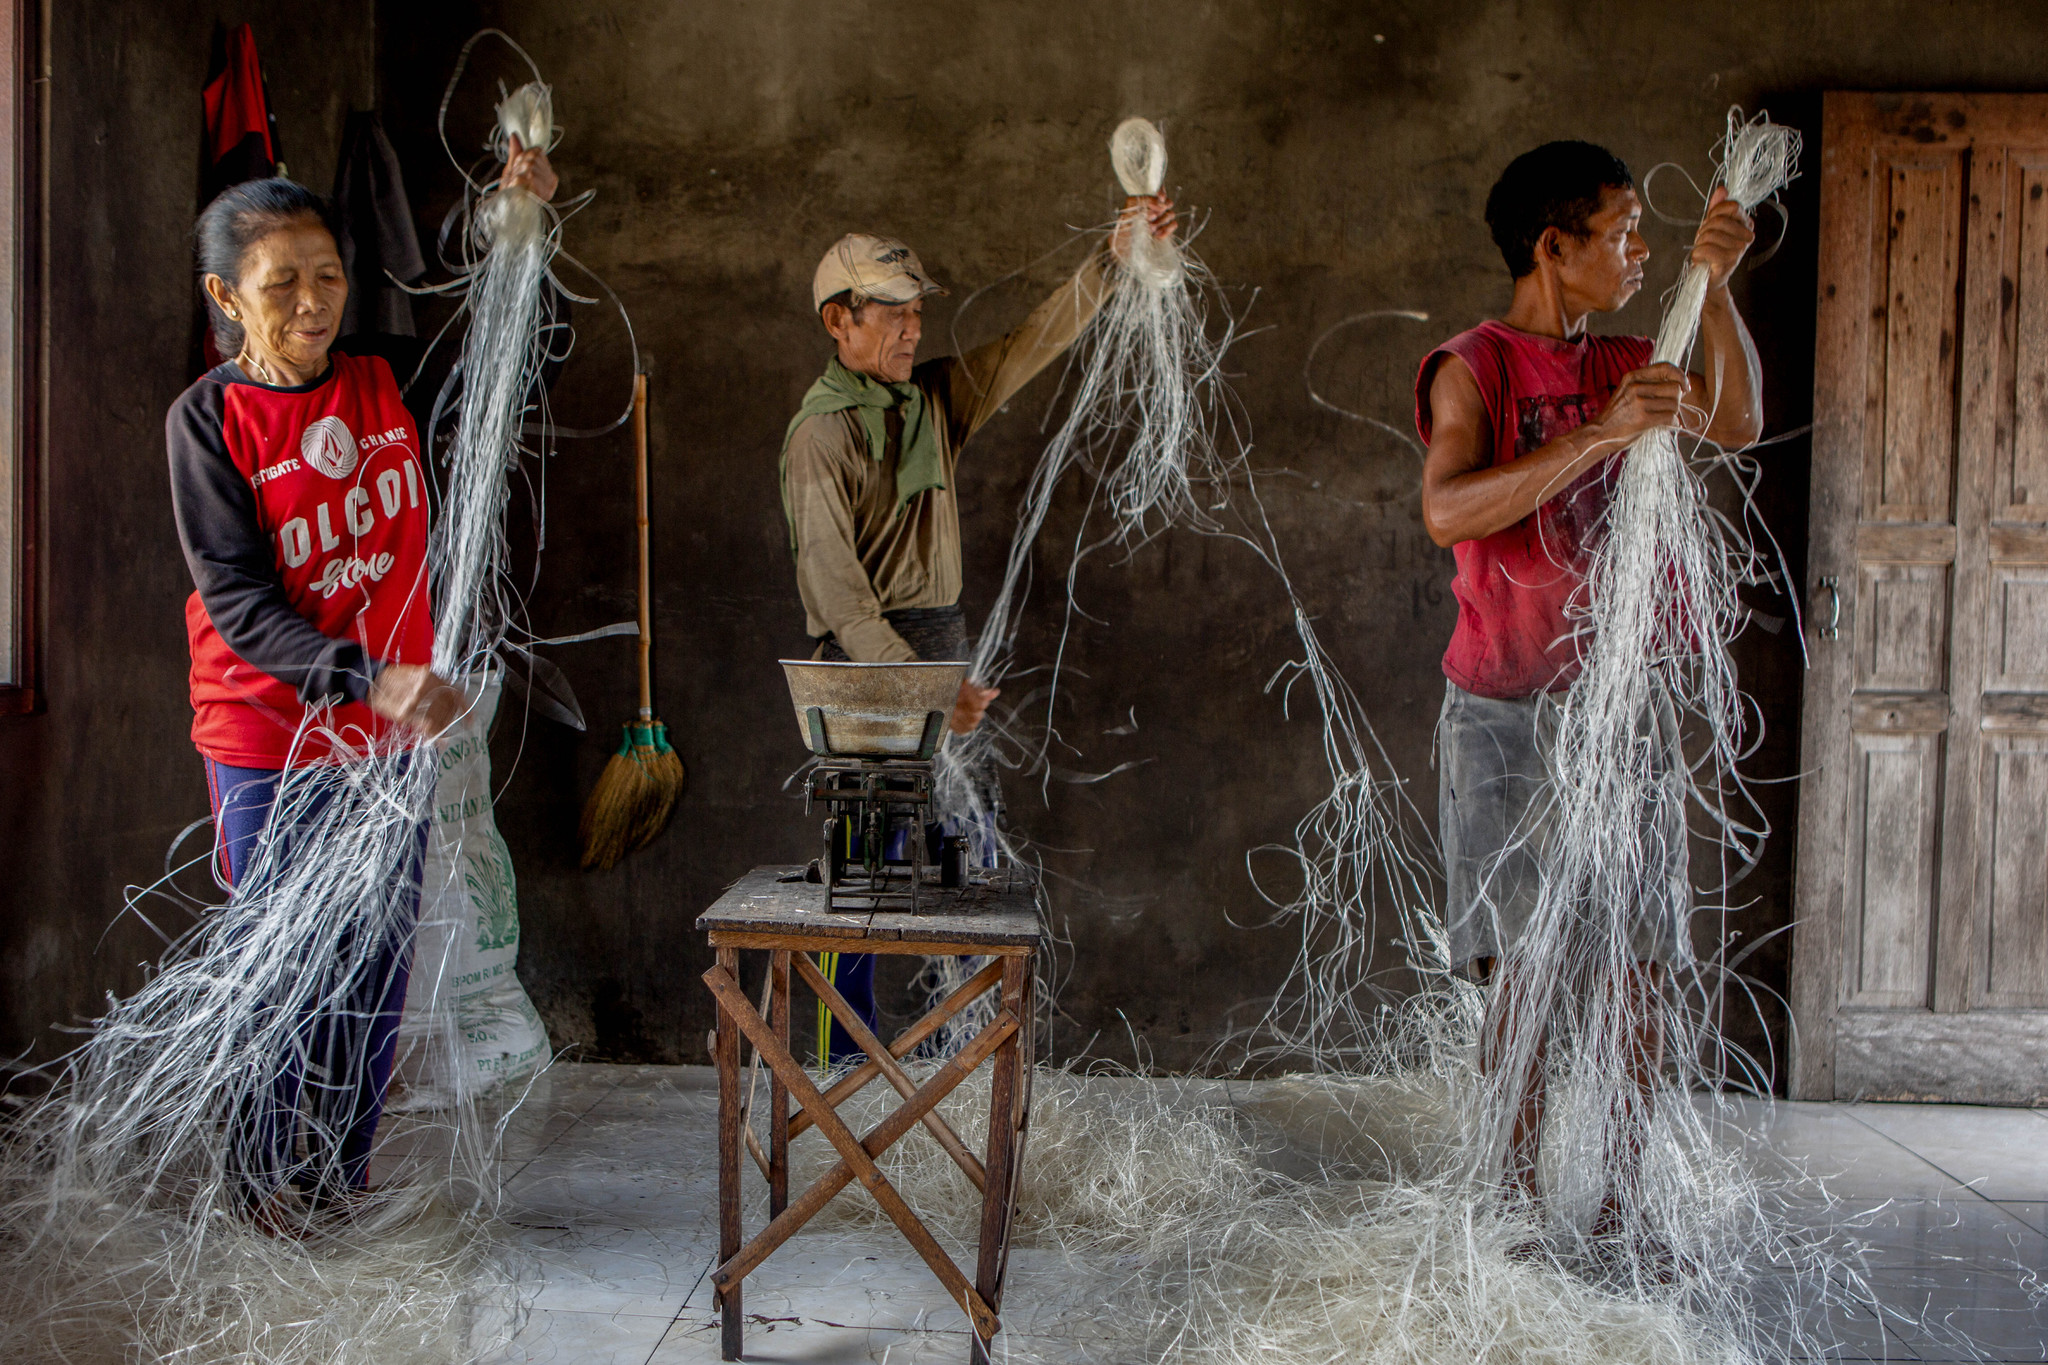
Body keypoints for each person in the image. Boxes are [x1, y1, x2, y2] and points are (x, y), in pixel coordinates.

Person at [166, 135, 559, 1230]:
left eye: (328, 276)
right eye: (280, 282)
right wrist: (362, 675)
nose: (311, 303)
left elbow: (523, 352)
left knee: (374, 967)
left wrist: (520, 233)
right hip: (269, 740)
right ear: (226, 297)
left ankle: (338, 1180)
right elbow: (239, 603)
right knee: (281, 969)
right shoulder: (207, 423)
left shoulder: (387, 377)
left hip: (388, 740)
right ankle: (259, 1191)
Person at [1414, 141, 1761, 1230]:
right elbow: (1447, 510)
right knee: (1517, 970)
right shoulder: (1473, 365)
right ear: (1551, 247)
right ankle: (1515, 1207)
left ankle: (1622, 1204)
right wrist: (1602, 436)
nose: (1638, 250)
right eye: (1619, 232)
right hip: (1502, 712)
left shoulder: (1627, 358)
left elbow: (1736, 421)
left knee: (1638, 964)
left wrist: (1713, 288)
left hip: (1621, 712)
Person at [780, 198, 1176, 1063]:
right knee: (864, 876)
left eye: (917, 310)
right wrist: (925, 691)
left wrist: (1111, 262)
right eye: (891, 311)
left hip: (940, 654)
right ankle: (840, 1069)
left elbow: (1029, 344)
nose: (912, 326)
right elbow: (842, 600)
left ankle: (968, 1057)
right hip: (865, 674)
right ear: (839, 321)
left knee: (970, 857)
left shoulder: (933, 399)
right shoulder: (820, 436)